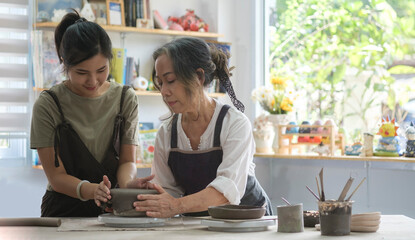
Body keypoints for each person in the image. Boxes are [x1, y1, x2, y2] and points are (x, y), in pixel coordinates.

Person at [30, 11, 152, 217]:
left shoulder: (125, 98)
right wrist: (90, 190)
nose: (93, 81)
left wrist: (129, 184)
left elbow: (127, 161)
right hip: (63, 210)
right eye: (82, 73)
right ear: (64, 63)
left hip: (112, 206)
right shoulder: (48, 104)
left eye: (101, 70)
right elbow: (55, 176)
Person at [134, 37, 273, 217]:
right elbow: (167, 193)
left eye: (170, 80)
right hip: (200, 226)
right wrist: (137, 200)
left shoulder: (234, 124)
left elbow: (226, 191)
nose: (164, 92)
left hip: (248, 223)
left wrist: (176, 205)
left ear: (198, 77)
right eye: (160, 83)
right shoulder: (167, 132)